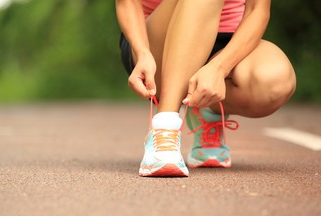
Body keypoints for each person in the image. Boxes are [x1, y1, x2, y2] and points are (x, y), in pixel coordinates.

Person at [116, 0, 296, 177]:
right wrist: (142, 52)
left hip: (230, 43)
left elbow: (257, 10)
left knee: (275, 82)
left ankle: (206, 112)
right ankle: (164, 129)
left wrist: (219, 68)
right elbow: (127, 3)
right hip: (155, 45)